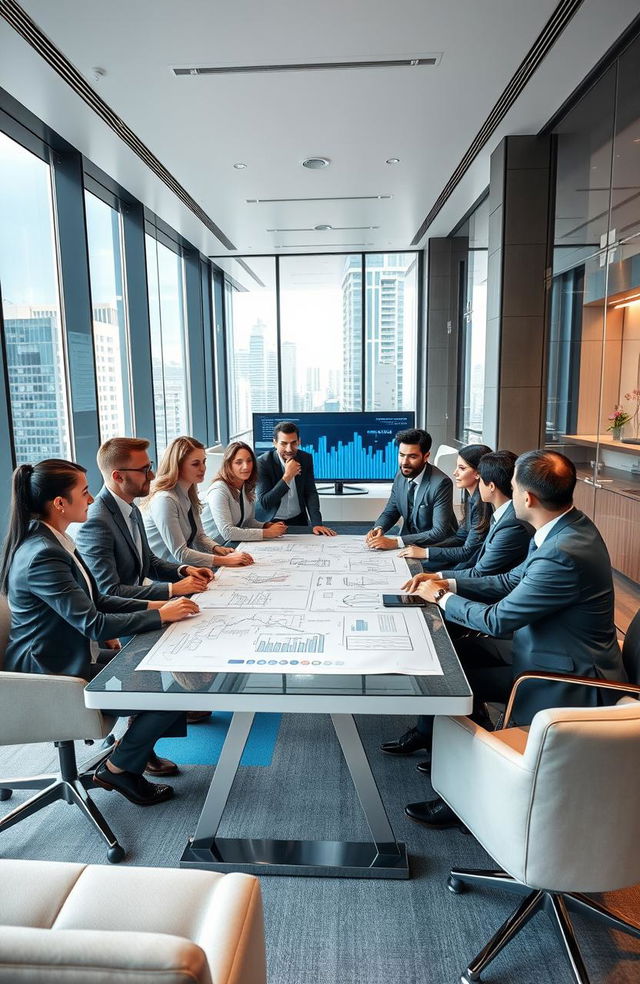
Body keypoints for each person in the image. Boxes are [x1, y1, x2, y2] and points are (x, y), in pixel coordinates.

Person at [402, 449, 626, 829]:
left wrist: (440, 598)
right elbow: (511, 581)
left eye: (514, 485)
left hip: (564, 677)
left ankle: (466, 791)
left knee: (451, 682)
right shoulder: (564, 527)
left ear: (527, 498)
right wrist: (447, 582)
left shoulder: (563, 552)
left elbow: (498, 619)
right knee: (451, 657)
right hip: (543, 651)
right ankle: (461, 757)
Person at [0, 459, 199, 807]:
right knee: (170, 686)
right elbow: (93, 622)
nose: (91, 500)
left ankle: (129, 757)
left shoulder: (52, 540)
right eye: (85, 492)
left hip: (65, 651)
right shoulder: (43, 555)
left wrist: (161, 609)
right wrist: (161, 614)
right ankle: (120, 768)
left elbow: (97, 599)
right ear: (59, 503)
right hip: (50, 673)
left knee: (161, 661)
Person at [380, 450, 532, 759]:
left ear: (486, 481)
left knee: (441, 658)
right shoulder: (490, 507)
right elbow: (472, 551)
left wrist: (438, 584)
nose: (455, 472)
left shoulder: (515, 525)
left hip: (506, 625)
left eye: (462, 467)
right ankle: (433, 735)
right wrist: (436, 576)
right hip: (496, 609)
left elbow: (486, 576)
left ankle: (458, 750)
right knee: (439, 652)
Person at [76, 437, 214, 601]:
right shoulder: (96, 522)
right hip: (125, 615)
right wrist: (173, 589)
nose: (152, 475)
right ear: (118, 477)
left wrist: (184, 570)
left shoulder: (131, 507)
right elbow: (110, 591)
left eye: (150, 466)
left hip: (140, 603)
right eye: (143, 470)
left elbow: (149, 562)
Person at [143, 437, 255, 568]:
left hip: (186, 567)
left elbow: (199, 536)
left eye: (204, 462)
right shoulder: (165, 500)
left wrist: (217, 548)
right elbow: (180, 553)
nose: (203, 468)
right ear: (177, 466)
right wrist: (226, 561)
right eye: (195, 464)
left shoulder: (189, 491)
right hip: (168, 572)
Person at [398, 443, 492, 570]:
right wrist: (425, 550)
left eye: (462, 468)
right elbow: (460, 537)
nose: (455, 473)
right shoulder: (472, 498)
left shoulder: (482, 505)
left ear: (478, 473)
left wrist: (425, 553)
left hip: (472, 565)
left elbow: (468, 552)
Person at [365, 429, 457, 550]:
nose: (404, 462)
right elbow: (391, 511)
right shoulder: (401, 475)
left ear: (426, 456)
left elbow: (439, 532)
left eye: (412, 457)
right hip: (408, 545)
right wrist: (379, 528)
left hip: (435, 549)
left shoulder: (441, 483)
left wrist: (397, 542)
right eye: (401, 455)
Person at [255, 421, 336, 535]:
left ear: (299, 441)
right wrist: (287, 476)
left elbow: (310, 492)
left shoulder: (305, 459)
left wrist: (317, 523)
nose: (289, 449)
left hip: (298, 520)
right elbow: (265, 502)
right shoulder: (262, 463)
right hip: (271, 523)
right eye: (283, 444)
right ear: (275, 443)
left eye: (293, 443)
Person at [205, 441, 287, 543]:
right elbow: (227, 532)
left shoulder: (246, 486)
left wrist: (266, 526)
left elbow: (247, 522)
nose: (246, 466)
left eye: (249, 461)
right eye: (239, 462)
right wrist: (268, 533)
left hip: (231, 546)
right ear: (228, 465)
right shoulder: (218, 491)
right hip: (212, 549)